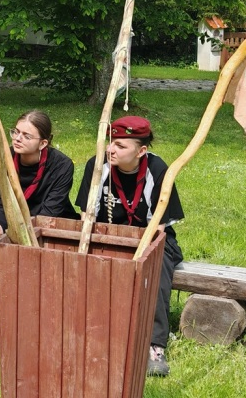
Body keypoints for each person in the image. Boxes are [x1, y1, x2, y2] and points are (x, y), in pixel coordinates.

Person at [75, 115, 184, 377]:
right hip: (107, 235)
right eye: (111, 142)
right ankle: (88, 332)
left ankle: (154, 345)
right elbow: (86, 216)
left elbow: (159, 228)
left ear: (141, 151)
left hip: (151, 238)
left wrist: (137, 251)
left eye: (121, 146)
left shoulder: (158, 170)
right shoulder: (97, 166)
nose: (111, 149)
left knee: (156, 268)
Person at [0, 110, 77, 332]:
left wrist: (21, 232)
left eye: (26, 135)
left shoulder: (62, 165)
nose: (17, 138)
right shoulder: (1, 159)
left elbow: (51, 210)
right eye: (15, 132)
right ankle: (1, 307)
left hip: (49, 223)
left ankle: (44, 306)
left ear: (43, 143)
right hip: (11, 218)